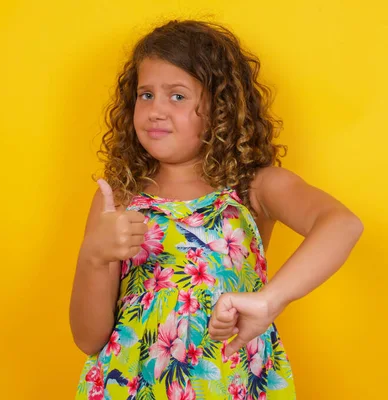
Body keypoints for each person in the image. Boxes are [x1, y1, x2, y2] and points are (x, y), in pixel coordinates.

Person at [70, 19, 363, 400]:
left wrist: (268, 301)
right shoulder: (120, 198)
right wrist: (94, 256)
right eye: (146, 95)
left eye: (177, 96)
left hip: (231, 384)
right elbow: (88, 338)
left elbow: (342, 224)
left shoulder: (254, 187)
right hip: (130, 388)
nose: (156, 110)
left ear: (220, 108)